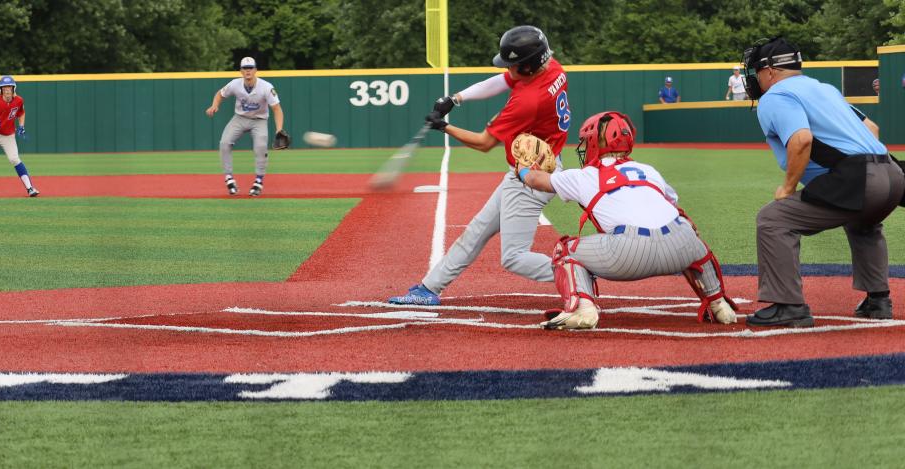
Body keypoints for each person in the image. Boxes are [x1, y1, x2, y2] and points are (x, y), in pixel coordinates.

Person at [387, 25, 570, 305]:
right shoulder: (551, 67)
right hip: (536, 165)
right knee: (477, 230)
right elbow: (504, 80)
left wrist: (444, 127)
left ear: (528, 66)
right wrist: (456, 98)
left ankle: (576, 273)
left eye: (513, 64)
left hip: (532, 177)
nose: (508, 69)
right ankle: (429, 288)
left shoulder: (527, 101)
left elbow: (485, 143)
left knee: (514, 257)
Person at [515, 111, 737, 329]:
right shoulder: (648, 170)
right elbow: (674, 207)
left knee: (564, 250)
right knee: (687, 230)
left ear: (595, 142)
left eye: (586, 141)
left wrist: (522, 169)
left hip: (630, 253)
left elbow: (536, 180)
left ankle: (583, 309)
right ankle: (719, 304)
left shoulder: (586, 176)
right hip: (680, 247)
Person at [740, 37, 905, 327]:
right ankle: (878, 301)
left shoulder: (775, 96)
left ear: (770, 71)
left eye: (756, 72)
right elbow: (872, 129)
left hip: (862, 177)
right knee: (862, 220)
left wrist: (788, 187)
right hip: (893, 174)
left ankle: (788, 306)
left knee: (773, 219)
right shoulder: (824, 89)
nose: (755, 79)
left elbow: (802, 140)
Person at [205, 57, 288, 197]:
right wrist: (215, 105)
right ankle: (229, 179)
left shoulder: (266, 87)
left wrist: (279, 129)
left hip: (259, 120)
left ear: (255, 70)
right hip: (240, 118)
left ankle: (258, 182)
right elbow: (220, 94)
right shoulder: (235, 84)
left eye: (250, 68)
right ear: (240, 71)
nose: (248, 70)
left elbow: (277, 109)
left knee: (260, 148)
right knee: (224, 143)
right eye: (245, 68)